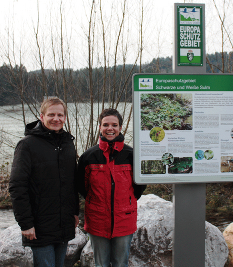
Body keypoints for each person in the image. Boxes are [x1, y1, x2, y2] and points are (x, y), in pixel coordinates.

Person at [9, 97, 79, 267]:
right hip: (39, 226)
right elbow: (17, 186)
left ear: (65, 117)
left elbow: (72, 183)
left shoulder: (67, 143)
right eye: (51, 114)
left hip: (63, 223)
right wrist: (26, 224)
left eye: (60, 115)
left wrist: (75, 212)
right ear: (41, 116)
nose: (56, 119)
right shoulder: (27, 145)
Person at [77, 108, 146, 267]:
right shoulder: (88, 156)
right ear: (100, 127)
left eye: (114, 125)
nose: (110, 128)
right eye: (106, 124)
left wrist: (127, 201)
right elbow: (82, 187)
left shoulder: (132, 154)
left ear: (120, 127)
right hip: (97, 220)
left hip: (124, 220)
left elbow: (139, 186)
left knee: (120, 263)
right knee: (100, 264)